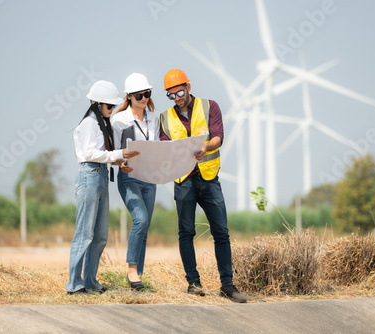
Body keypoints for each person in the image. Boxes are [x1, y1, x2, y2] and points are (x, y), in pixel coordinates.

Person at [159, 69, 247, 303]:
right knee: (186, 233)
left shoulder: (210, 106)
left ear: (188, 86)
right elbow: (166, 148)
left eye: (179, 91)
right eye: (171, 95)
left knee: (221, 232)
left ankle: (227, 285)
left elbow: (218, 136)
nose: (176, 98)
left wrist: (205, 148)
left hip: (209, 178)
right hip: (183, 181)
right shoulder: (164, 118)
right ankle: (193, 283)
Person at [66, 80, 139, 295]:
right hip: (89, 175)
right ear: (97, 104)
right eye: (109, 106)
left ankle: (90, 282)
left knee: (99, 236)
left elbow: (103, 153)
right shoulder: (89, 123)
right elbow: (89, 153)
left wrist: (120, 162)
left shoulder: (100, 123)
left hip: (101, 175)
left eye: (114, 106)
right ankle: (74, 284)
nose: (112, 110)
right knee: (84, 234)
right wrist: (119, 155)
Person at [111, 73, 160, 290]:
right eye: (139, 94)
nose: (144, 98)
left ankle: (138, 275)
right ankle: (131, 270)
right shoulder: (119, 120)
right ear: (129, 96)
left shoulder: (154, 120)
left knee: (145, 227)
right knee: (140, 219)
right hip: (129, 177)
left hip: (149, 178)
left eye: (147, 94)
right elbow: (113, 151)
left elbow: (157, 148)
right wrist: (121, 163)